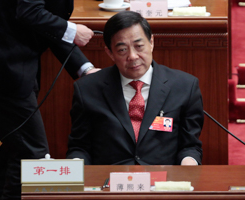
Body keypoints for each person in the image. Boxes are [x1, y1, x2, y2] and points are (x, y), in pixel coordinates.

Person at [0, 0, 99, 199]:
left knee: (5, 154)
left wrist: (85, 68)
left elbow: (45, 23)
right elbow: (29, 11)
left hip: (8, 60)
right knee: (31, 157)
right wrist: (72, 30)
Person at [66, 11, 203, 166]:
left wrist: (189, 164)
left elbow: (189, 146)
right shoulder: (87, 89)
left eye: (139, 46)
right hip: (109, 184)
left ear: (151, 42)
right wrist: (77, 166)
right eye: (122, 49)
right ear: (110, 53)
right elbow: (80, 147)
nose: (132, 56)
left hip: (162, 183)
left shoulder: (184, 86)